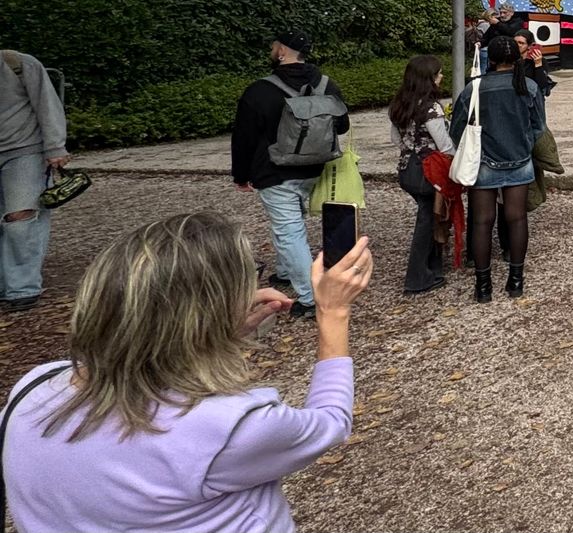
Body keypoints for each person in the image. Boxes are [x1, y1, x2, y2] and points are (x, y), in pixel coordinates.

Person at [1, 212, 374, 533]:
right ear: (204, 311)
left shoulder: (33, 389)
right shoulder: (230, 428)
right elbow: (329, 424)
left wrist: (217, 330)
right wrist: (333, 312)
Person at [231, 32, 348, 319]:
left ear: (282, 50)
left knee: (289, 231)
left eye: (273, 46)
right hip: (315, 168)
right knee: (289, 225)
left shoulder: (260, 90)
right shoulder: (325, 85)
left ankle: (311, 298)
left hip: (274, 170)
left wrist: (241, 174)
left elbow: (244, 137)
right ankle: (285, 271)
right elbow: (341, 125)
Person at [449, 36, 545, 302]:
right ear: (518, 58)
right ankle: (516, 280)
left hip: (483, 161)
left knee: (481, 221)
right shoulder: (529, 86)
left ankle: (483, 286)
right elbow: (538, 126)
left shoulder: (475, 88)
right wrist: (524, 144)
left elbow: (456, 128)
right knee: (517, 218)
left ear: (489, 60)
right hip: (519, 158)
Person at [0, 48, 67, 313]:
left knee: (20, 219)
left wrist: (55, 147)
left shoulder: (19, 63)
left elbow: (47, 104)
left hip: (25, 149)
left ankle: (21, 287)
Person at [385, 55, 451, 296]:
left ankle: (432, 266)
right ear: (429, 79)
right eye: (438, 73)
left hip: (406, 167)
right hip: (428, 169)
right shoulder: (431, 108)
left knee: (428, 216)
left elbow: (395, 139)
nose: (441, 77)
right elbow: (444, 145)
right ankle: (416, 276)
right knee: (427, 219)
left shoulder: (399, 104)